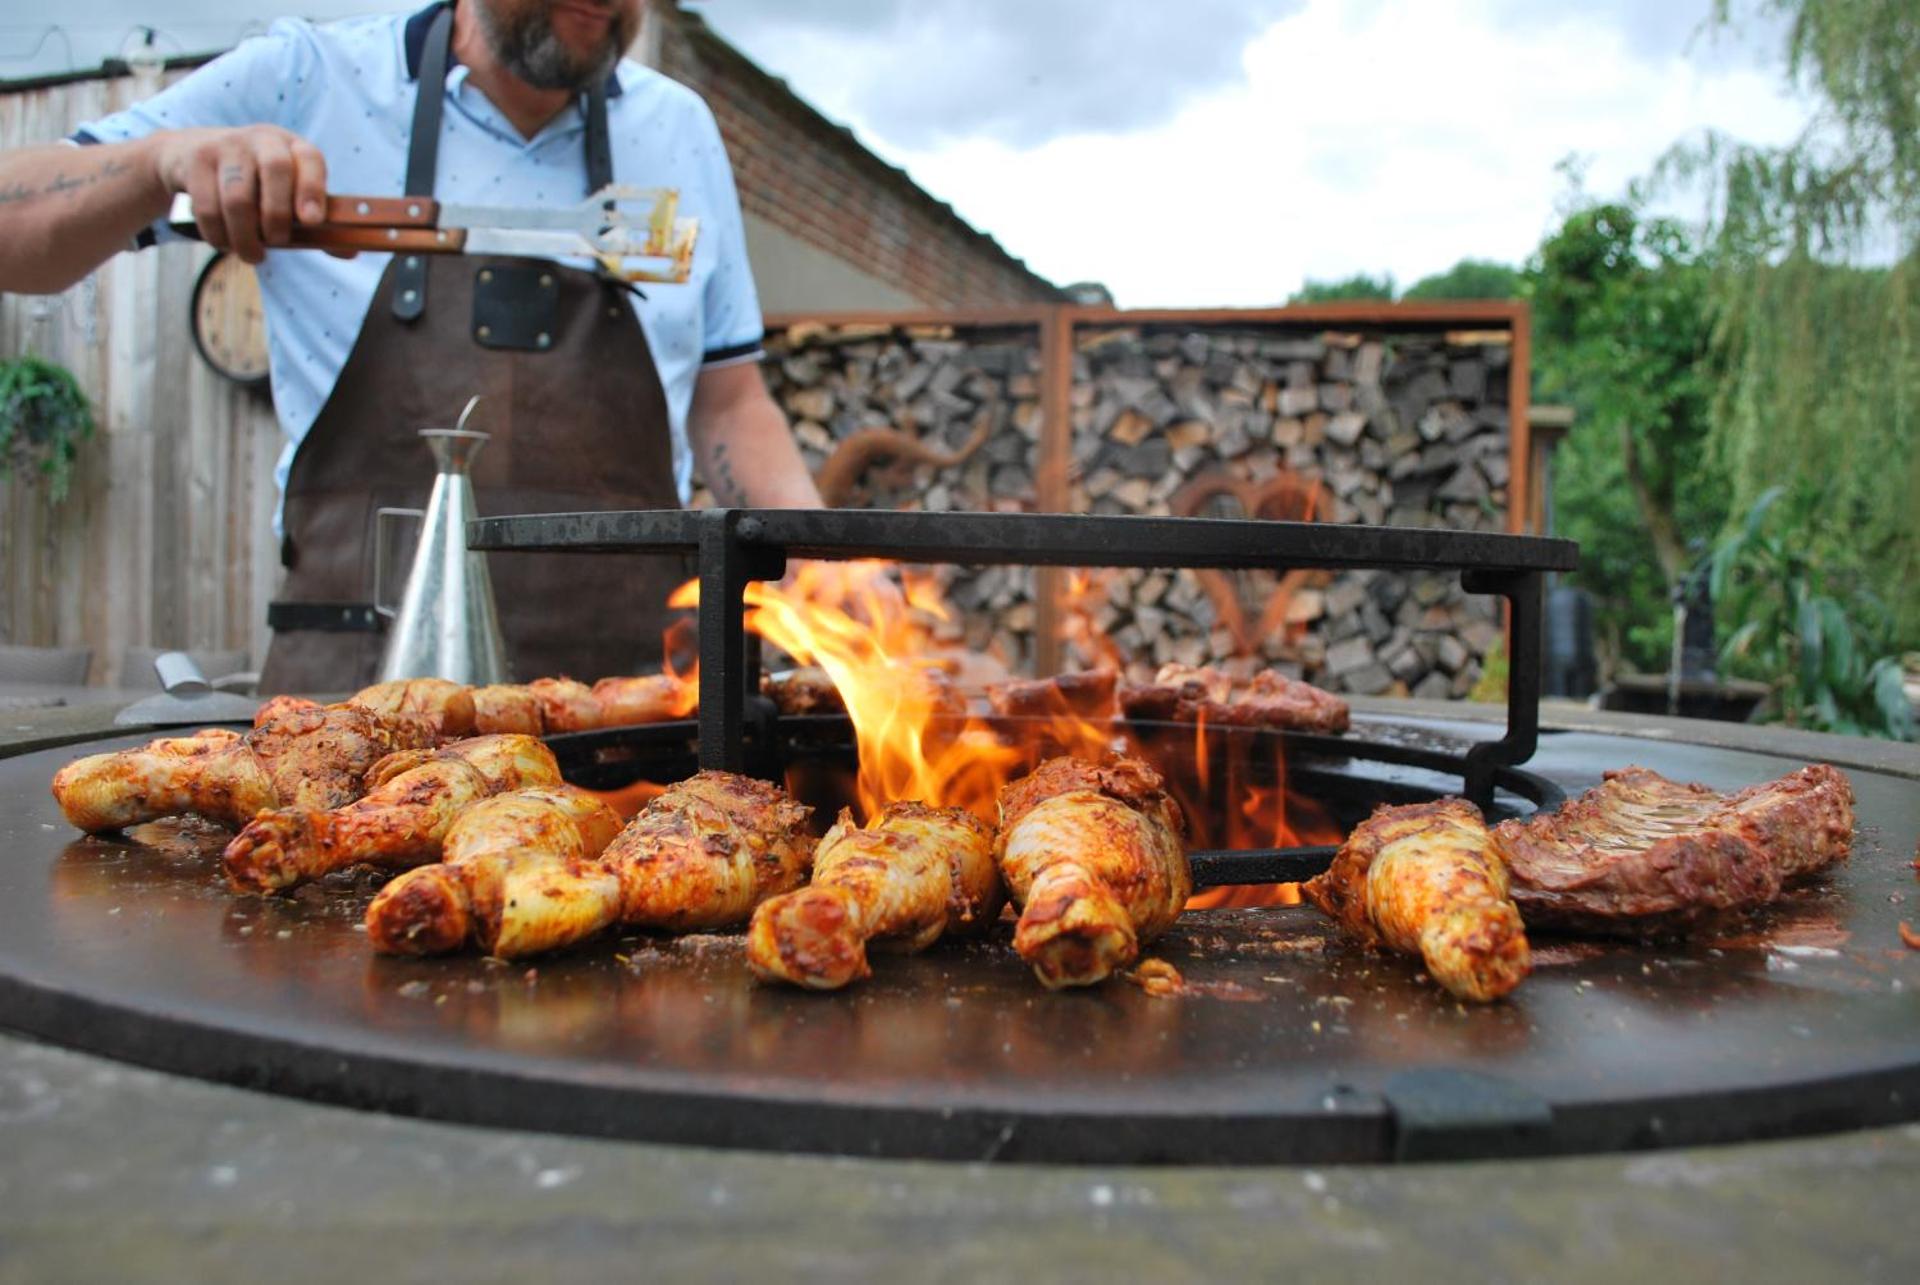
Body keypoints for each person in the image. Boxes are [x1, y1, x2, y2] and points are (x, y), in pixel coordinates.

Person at [0, 0, 822, 692]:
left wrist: (832, 575)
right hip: (355, 718)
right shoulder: (306, 80)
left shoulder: (678, 130)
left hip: (631, 725)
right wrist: (161, 161)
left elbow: (731, 399)